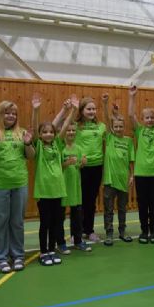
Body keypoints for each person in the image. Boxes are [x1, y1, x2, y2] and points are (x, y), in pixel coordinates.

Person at [0, 100, 34, 274]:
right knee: (0, 222)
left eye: (14, 113)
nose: (11, 116)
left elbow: (31, 156)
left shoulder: (22, 132)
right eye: (7, 112)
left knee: (17, 222)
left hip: (19, 183)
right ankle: (1, 257)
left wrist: (27, 143)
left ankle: (17, 255)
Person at [31, 94, 68, 266]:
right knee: (44, 223)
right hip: (44, 191)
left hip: (58, 190)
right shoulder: (38, 146)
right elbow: (33, 127)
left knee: (55, 222)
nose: (48, 134)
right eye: (44, 132)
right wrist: (36, 110)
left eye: (50, 132)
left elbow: (64, 125)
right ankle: (43, 252)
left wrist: (71, 110)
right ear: (40, 135)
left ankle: (52, 250)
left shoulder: (57, 144)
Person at [128, 84, 154, 244]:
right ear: (143, 120)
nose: (150, 120)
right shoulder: (139, 131)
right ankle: (144, 231)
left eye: (152, 117)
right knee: (142, 204)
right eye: (146, 118)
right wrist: (132, 96)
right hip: (141, 173)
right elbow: (131, 115)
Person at [55, 97, 92, 254]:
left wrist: (82, 162)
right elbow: (57, 166)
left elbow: (79, 165)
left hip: (75, 187)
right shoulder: (59, 148)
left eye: (72, 130)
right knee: (60, 217)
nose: (70, 132)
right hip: (62, 187)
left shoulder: (78, 148)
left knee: (77, 216)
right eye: (68, 130)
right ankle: (61, 243)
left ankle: (77, 240)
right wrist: (66, 163)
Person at [102, 94, 135, 246]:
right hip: (110, 180)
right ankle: (109, 233)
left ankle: (122, 232)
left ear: (124, 127)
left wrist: (132, 176)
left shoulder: (128, 141)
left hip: (123, 179)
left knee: (122, 208)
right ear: (112, 128)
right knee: (109, 209)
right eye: (116, 126)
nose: (118, 129)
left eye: (121, 126)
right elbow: (107, 119)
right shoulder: (109, 137)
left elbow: (131, 161)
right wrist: (106, 104)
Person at [75, 97, 106, 242]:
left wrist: (105, 105)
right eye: (89, 109)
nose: (92, 111)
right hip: (80, 168)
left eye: (94, 109)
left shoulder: (101, 126)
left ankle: (89, 230)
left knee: (91, 200)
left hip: (97, 167)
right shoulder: (75, 126)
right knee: (79, 200)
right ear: (81, 111)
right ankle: (78, 231)